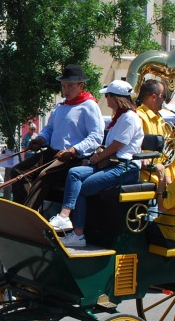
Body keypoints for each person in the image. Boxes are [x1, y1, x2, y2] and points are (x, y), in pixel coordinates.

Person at [48, 80, 144, 247]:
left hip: (125, 168)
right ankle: (64, 216)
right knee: (75, 172)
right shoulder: (120, 117)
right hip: (113, 164)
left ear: (115, 98)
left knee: (84, 188)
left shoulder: (129, 118)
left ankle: (78, 235)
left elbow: (116, 146)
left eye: (107, 95)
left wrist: (96, 158)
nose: (105, 99)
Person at [10, 64, 104, 208]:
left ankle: (28, 216)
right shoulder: (60, 106)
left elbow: (96, 136)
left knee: (44, 176)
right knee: (17, 171)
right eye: (63, 86)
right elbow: (49, 128)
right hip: (52, 154)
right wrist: (41, 139)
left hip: (73, 158)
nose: (66, 90)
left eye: (70, 86)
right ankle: (27, 212)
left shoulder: (89, 106)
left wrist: (73, 150)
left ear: (81, 85)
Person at [135, 78, 175, 183]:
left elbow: (167, 148)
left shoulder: (159, 118)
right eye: (164, 97)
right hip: (144, 177)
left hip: (159, 176)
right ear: (154, 97)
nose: (165, 101)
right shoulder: (138, 116)